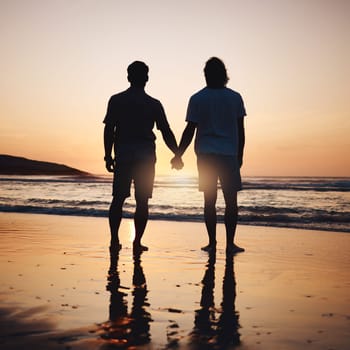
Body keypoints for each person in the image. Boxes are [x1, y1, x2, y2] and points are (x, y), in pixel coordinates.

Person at [172, 57, 246, 254]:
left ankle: (212, 243)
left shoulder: (197, 98)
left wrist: (179, 153)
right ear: (224, 74)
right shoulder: (235, 97)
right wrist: (240, 155)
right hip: (228, 153)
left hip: (205, 155)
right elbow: (241, 130)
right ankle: (230, 244)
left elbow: (190, 130)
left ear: (206, 75)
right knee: (231, 201)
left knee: (209, 200)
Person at [104, 61, 180, 253]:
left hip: (124, 155)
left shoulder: (116, 100)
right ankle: (137, 242)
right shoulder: (153, 104)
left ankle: (115, 240)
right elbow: (166, 131)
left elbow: (109, 130)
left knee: (118, 198)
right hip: (145, 157)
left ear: (129, 77)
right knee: (142, 200)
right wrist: (177, 153)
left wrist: (107, 155)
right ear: (146, 78)